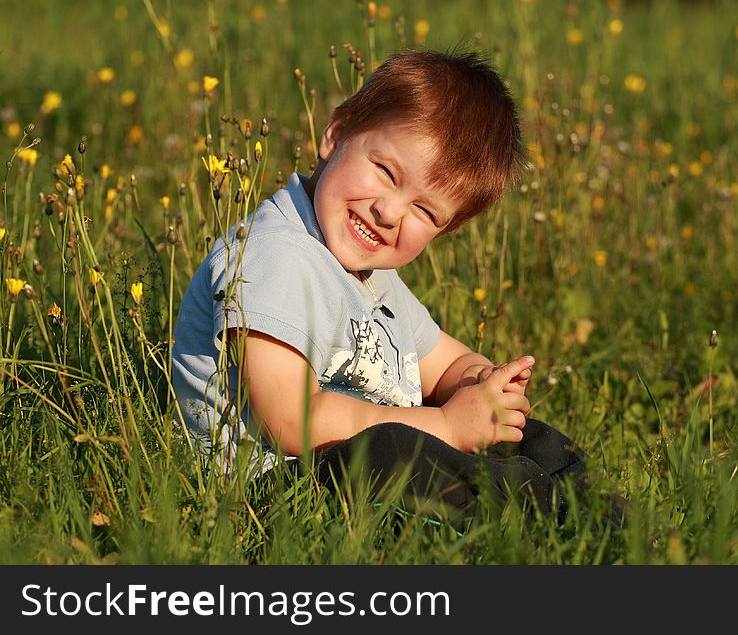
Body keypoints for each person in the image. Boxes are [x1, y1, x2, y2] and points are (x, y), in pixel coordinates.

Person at [171, 49, 624, 532]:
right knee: (392, 454)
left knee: (531, 438)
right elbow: (291, 423)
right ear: (336, 133)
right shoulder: (276, 255)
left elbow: (446, 365)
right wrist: (449, 427)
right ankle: (529, 524)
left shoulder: (371, 278)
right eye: (386, 172)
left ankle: (583, 515)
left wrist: (483, 386)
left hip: (375, 463)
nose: (389, 212)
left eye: (425, 213)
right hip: (276, 493)